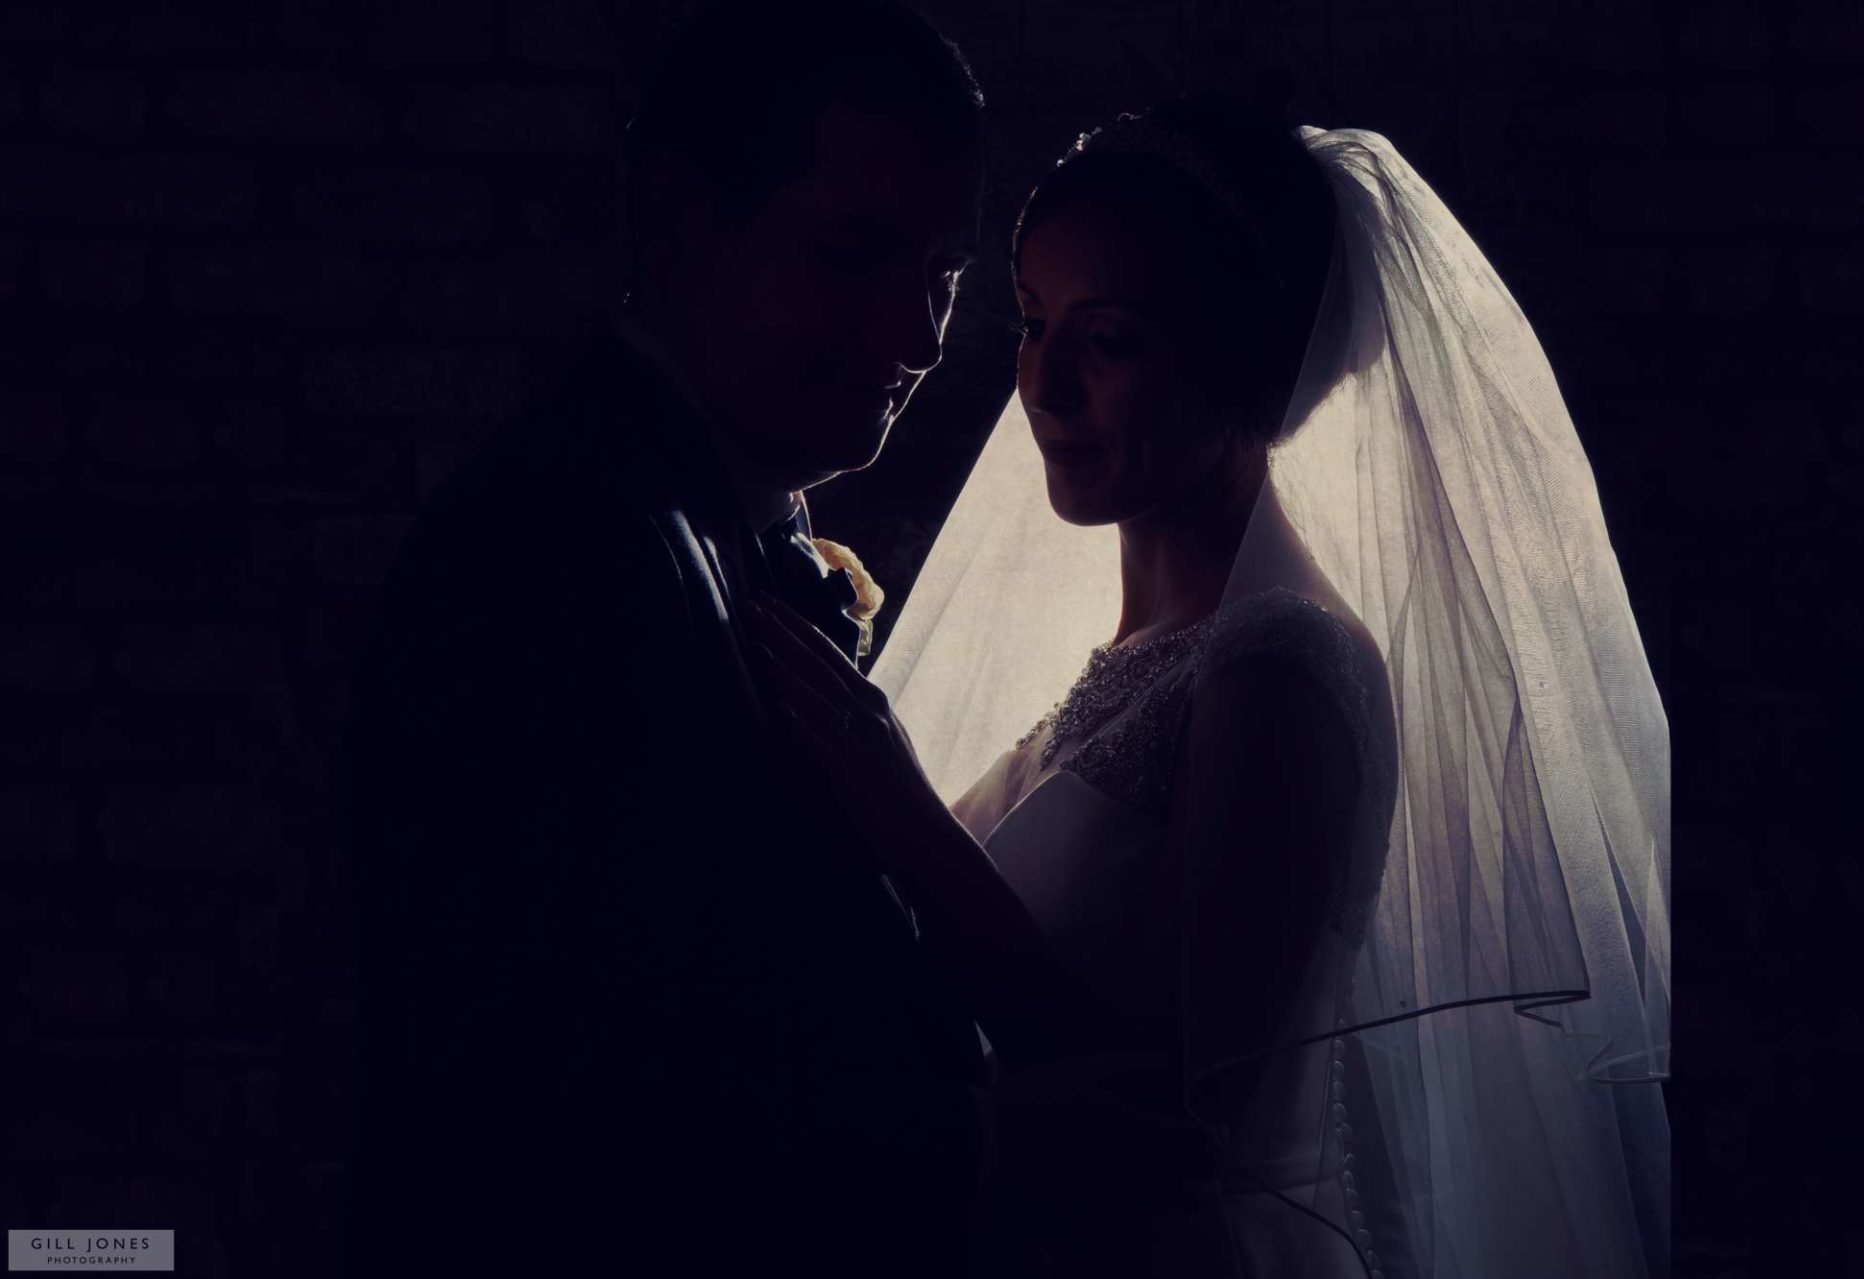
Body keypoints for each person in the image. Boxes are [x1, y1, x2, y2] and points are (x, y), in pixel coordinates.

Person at [751, 96, 1671, 1278]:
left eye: (1112, 338)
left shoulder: (1286, 668)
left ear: (1242, 362)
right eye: (1035, 323)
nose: (1044, 383)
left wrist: (900, 808)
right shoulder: (1145, 655)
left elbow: (1182, 1116)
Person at [345, 4, 991, 1274]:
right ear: (680, 227)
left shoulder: (692, 507)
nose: (915, 341)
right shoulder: (561, 546)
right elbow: (555, 1091)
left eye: (943, 280)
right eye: (857, 255)